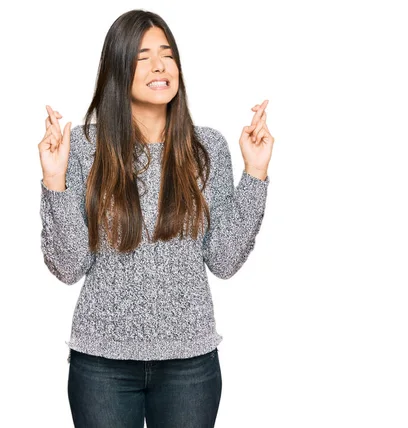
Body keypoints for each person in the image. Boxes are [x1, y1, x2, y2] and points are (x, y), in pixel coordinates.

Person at [37, 9, 275, 428]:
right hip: (102, 364)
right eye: (143, 56)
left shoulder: (207, 149)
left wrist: (254, 173)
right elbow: (69, 266)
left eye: (167, 54)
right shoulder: (82, 149)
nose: (160, 66)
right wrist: (55, 179)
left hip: (190, 366)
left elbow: (224, 260)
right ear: (118, 68)